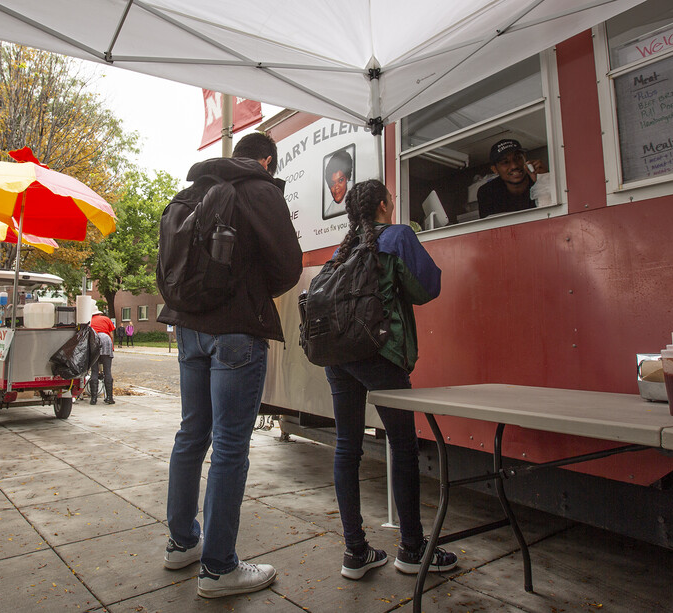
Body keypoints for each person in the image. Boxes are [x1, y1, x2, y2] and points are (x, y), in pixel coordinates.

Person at [158, 131, 302, 598]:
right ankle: (219, 567)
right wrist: (251, 286)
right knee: (230, 447)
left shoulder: (189, 191)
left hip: (189, 328)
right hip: (238, 331)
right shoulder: (261, 190)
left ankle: (182, 543)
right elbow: (288, 266)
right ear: (266, 160)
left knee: (191, 433)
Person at [321, 179, 457, 581]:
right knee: (402, 446)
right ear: (384, 204)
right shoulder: (397, 236)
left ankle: (355, 552)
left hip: (337, 356)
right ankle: (413, 549)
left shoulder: (341, 248)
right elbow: (427, 288)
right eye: (392, 201)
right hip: (379, 354)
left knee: (347, 447)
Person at [477, 138, 547, 218]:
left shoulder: (538, 178)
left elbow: (550, 214)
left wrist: (544, 180)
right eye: (505, 162)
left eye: (518, 158)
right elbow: (489, 226)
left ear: (524, 158)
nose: (514, 166)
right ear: (495, 169)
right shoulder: (488, 191)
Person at [89, 309, 115, 404]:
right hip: (106, 339)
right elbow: (111, 334)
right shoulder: (106, 319)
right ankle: (109, 398)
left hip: (94, 341)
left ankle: (93, 399)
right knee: (107, 371)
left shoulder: (90, 321)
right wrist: (111, 347)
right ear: (100, 313)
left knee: (94, 371)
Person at [323, 148, 353, 219]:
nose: (336, 187)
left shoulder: (357, 194)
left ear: (347, 179)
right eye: (332, 183)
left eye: (340, 180)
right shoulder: (329, 212)